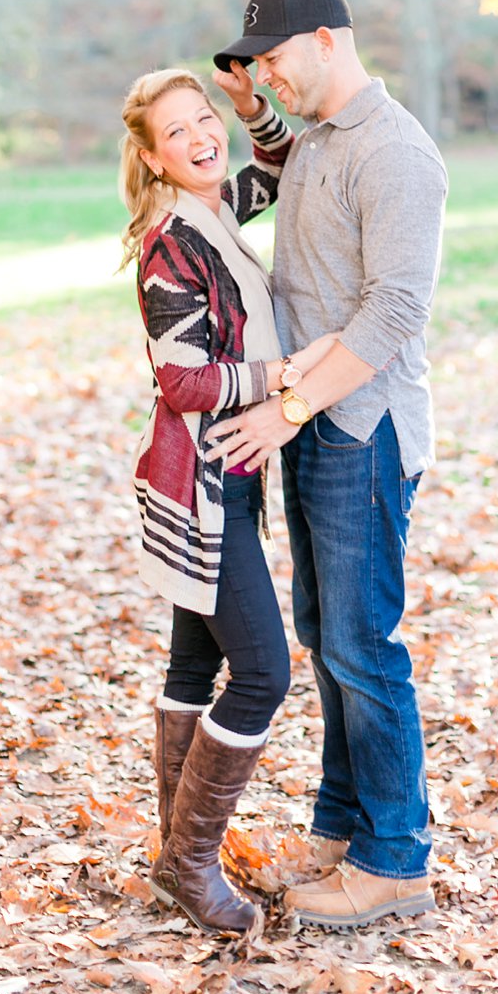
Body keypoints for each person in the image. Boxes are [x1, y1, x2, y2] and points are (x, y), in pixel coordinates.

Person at [204, 0, 448, 930]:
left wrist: (289, 405)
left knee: (362, 643)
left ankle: (396, 861)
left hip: (361, 424)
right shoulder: (316, 140)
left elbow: (393, 311)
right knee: (327, 636)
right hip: (311, 420)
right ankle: (345, 829)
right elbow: (266, 188)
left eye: (273, 56)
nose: (266, 72)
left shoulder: (395, 154)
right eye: (255, 61)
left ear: (327, 40)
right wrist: (254, 110)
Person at [119, 66, 339, 937]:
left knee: (189, 665)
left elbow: (280, 168)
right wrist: (280, 375)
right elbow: (180, 378)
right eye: (177, 132)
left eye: (202, 117)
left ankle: (176, 852)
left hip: (223, 476)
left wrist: (253, 109)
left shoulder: (214, 209)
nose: (199, 136)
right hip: (201, 482)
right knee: (262, 671)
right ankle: (188, 863)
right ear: (152, 157)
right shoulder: (172, 240)